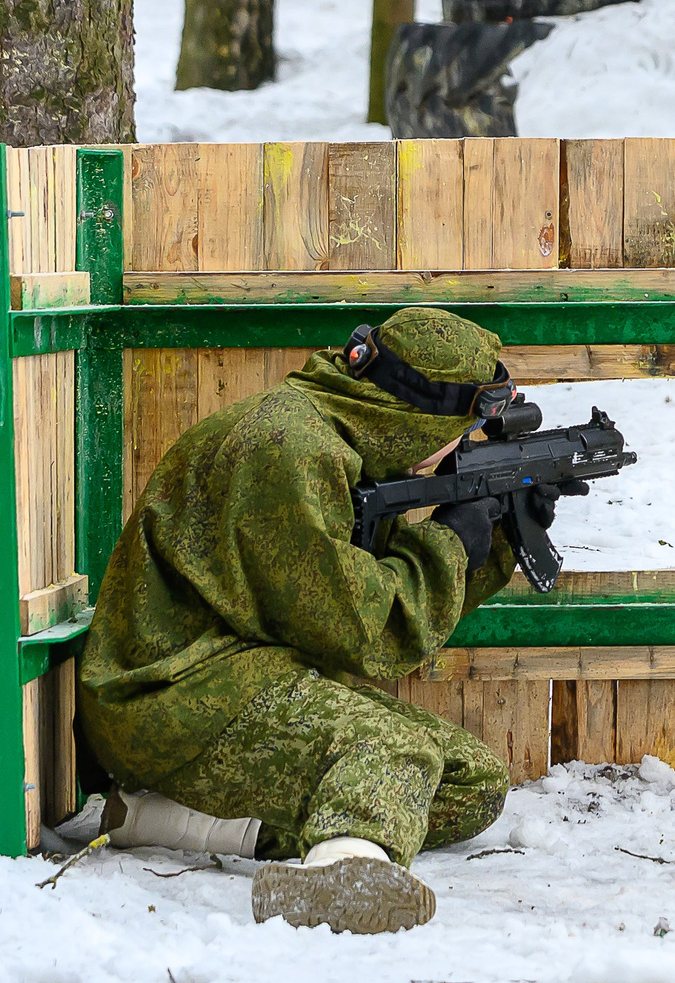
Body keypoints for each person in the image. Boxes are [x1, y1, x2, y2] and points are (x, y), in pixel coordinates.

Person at [78, 307, 565, 933]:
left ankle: (157, 819)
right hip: (170, 697)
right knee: (395, 751)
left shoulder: (342, 439)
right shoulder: (290, 450)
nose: (459, 449)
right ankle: (337, 880)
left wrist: (495, 537)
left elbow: (359, 610)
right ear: (415, 420)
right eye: (461, 431)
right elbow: (365, 632)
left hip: (245, 675)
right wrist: (449, 544)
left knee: (472, 782)